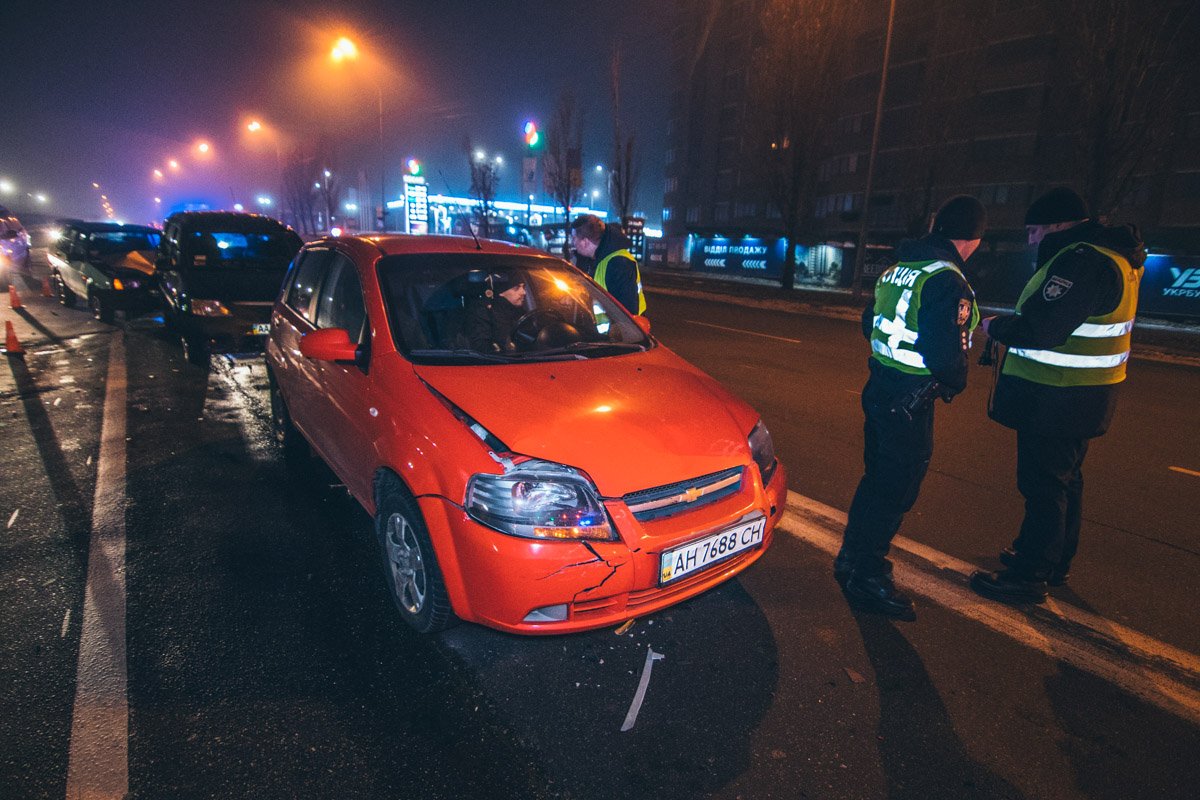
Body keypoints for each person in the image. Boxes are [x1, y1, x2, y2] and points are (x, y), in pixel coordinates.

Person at [971, 187, 1144, 604]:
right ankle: (1053, 561)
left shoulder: (1081, 261)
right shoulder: (1113, 257)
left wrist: (996, 328)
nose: (1032, 240)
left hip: (1058, 396)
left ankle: (1029, 577)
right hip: (1084, 395)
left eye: (1035, 231)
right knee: (1066, 480)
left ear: (1059, 226)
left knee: (1044, 485)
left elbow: (1044, 328)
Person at [836, 195, 986, 620]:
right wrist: (955, 380)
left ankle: (850, 558)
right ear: (972, 239)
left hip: (879, 387)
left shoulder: (901, 267)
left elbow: (870, 322)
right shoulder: (948, 279)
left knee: (876, 480)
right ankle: (869, 576)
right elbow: (945, 354)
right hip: (910, 399)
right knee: (896, 490)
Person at [569, 214, 646, 316]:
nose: (572, 242)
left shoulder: (618, 263)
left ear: (585, 241)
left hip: (621, 331)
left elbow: (626, 316)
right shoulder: (596, 258)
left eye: (574, 238)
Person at [465, 272, 527, 353]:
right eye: (516, 288)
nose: (523, 292)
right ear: (501, 292)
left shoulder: (522, 312)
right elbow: (482, 348)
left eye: (523, 287)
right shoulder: (484, 313)